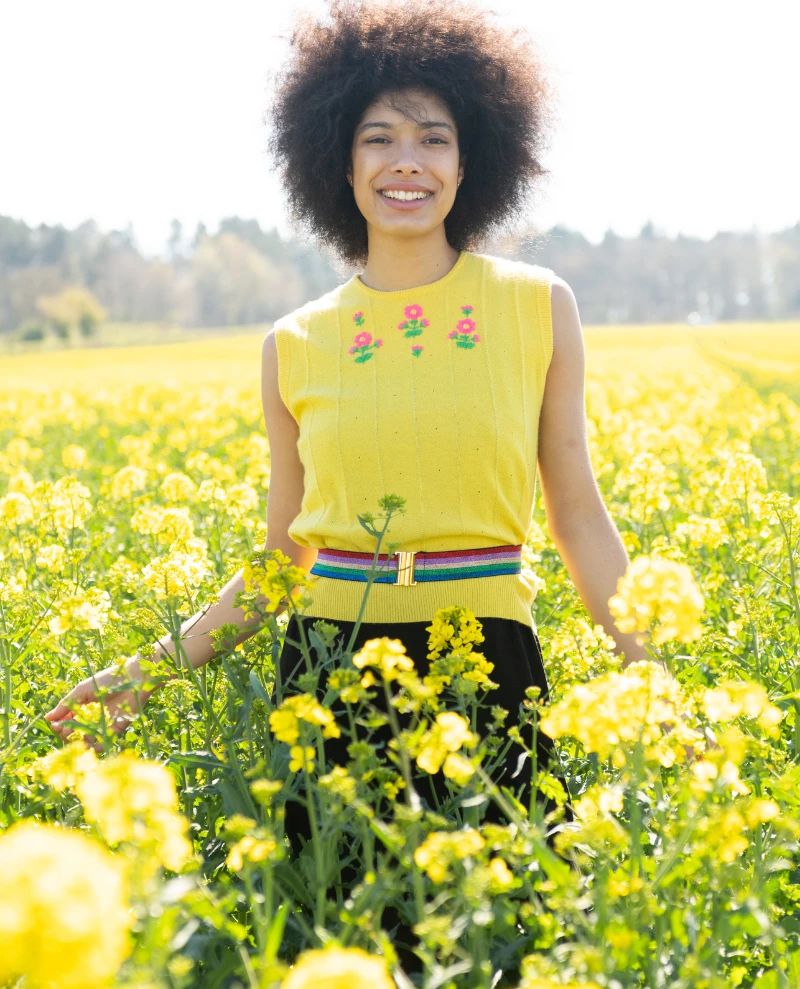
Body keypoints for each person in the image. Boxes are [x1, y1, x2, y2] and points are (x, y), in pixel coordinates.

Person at [45, 0, 652, 958]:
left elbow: (578, 514)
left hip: (491, 663)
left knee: (503, 949)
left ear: (471, 161)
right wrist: (148, 669)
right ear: (339, 158)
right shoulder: (295, 341)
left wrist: (653, 677)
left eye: (434, 138)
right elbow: (284, 558)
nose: (407, 161)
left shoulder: (538, 306)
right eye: (379, 138)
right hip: (330, 670)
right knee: (348, 951)